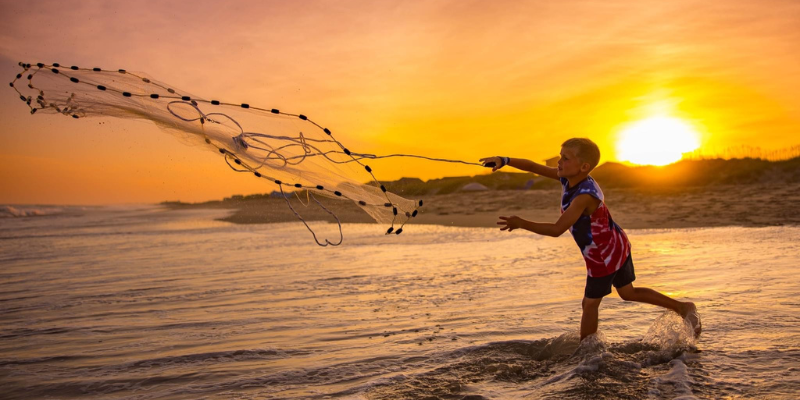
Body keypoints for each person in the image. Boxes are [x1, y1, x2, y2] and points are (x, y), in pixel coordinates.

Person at [480, 138, 700, 340]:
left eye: (565, 158)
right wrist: (504, 160)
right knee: (628, 292)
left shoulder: (584, 196)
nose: (559, 161)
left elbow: (558, 229)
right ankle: (683, 308)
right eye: (560, 155)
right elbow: (533, 167)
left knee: (590, 303)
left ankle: (586, 353)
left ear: (583, 167)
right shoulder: (569, 178)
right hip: (616, 243)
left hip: (603, 254)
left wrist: (522, 223)